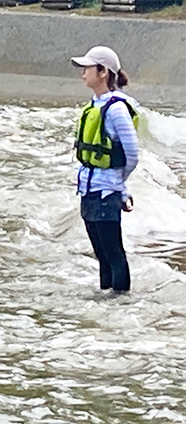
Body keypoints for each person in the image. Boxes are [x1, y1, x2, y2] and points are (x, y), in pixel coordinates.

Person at [71, 46, 140, 292]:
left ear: (103, 72)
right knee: (102, 256)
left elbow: (132, 155)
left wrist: (119, 185)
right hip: (89, 190)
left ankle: (121, 302)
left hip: (106, 191)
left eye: (87, 68)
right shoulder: (95, 105)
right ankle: (107, 302)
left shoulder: (117, 109)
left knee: (113, 254)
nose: (83, 73)